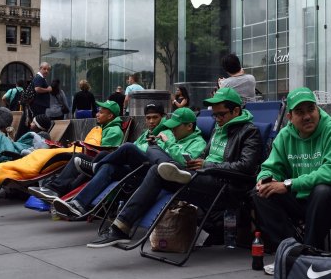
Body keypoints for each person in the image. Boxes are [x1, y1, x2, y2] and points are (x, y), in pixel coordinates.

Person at [87, 87, 264, 248]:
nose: (217, 119)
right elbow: (203, 154)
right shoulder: (220, 129)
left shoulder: (249, 132)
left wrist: (207, 164)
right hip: (200, 176)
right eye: (214, 115)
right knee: (153, 152)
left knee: (157, 170)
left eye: (221, 114)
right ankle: (121, 228)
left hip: (224, 184)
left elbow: (246, 167)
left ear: (236, 110)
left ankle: (121, 227)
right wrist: (194, 161)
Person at [254, 87, 331, 250]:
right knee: (262, 194)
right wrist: (265, 178)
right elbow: (271, 166)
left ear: (318, 110)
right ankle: (292, 251)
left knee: (322, 191)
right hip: (305, 200)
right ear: (290, 117)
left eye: (311, 109)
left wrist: (288, 184)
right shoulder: (284, 136)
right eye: (299, 112)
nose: (307, 116)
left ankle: (311, 253)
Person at [52, 107, 207, 217]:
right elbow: (146, 147)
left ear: (189, 126)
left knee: (128, 148)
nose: (172, 130)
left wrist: (167, 143)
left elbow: (183, 162)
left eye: (176, 126)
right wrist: (154, 143)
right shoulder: (168, 133)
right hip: (145, 168)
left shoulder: (198, 143)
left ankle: (94, 167)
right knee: (109, 166)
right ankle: (79, 204)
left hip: (162, 174)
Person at [32, 102, 172, 202]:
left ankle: (85, 173)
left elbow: (157, 153)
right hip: (127, 164)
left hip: (145, 170)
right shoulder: (146, 133)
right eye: (148, 118)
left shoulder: (165, 133)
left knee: (115, 151)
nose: (151, 121)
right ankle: (61, 192)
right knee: (94, 158)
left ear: (163, 117)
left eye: (155, 117)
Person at [27, 100, 123, 200]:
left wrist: (82, 146)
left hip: (100, 162)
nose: (97, 114)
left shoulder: (114, 131)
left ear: (110, 116)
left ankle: (54, 189)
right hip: (93, 158)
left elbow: (103, 152)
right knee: (66, 157)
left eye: (101, 112)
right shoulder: (102, 128)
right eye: (98, 111)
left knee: (77, 157)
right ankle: (53, 189)